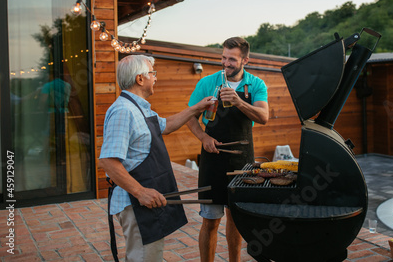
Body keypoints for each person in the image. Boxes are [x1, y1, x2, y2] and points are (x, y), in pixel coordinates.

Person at [99, 54, 214, 262]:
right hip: (136, 203)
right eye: (153, 73)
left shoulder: (139, 108)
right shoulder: (123, 111)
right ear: (140, 79)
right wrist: (140, 192)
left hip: (147, 200)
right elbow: (108, 161)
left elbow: (166, 125)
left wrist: (196, 108)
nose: (156, 78)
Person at [187, 37, 269, 262]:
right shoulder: (207, 82)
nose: (226, 63)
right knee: (210, 221)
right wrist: (203, 137)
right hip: (212, 159)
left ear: (245, 60)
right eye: (224, 57)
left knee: (236, 221)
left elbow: (263, 117)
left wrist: (239, 101)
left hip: (242, 159)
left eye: (232, 59)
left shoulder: (256, 85)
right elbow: (190, 117)